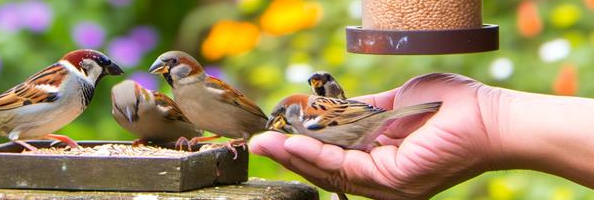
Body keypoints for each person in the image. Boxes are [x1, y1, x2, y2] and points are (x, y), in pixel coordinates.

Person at [249, 73, 594, 199]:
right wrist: (488, 116)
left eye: (284, 117)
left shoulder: (311, 118)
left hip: (361, 127)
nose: (284, 123)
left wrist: (486, 117)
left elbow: (349, 113)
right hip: (368, 125)